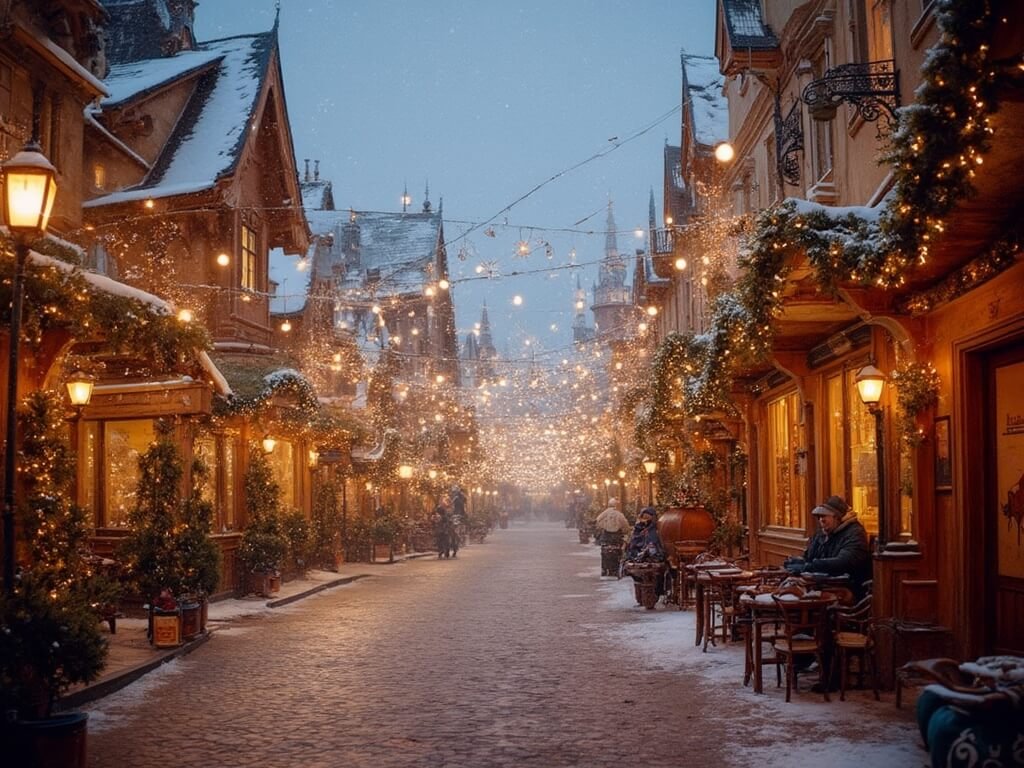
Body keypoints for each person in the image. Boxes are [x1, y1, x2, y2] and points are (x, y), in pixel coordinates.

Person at [786, 495, 871, 595]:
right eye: (819, 517)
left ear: (837, 517)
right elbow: (810, 556)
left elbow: (843, 562)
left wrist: (809, 566)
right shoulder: (823, 532)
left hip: (847, 589)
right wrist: (799, 562)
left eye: (824, 516)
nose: (821, 520)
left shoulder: (855, 533)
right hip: (822, 585)